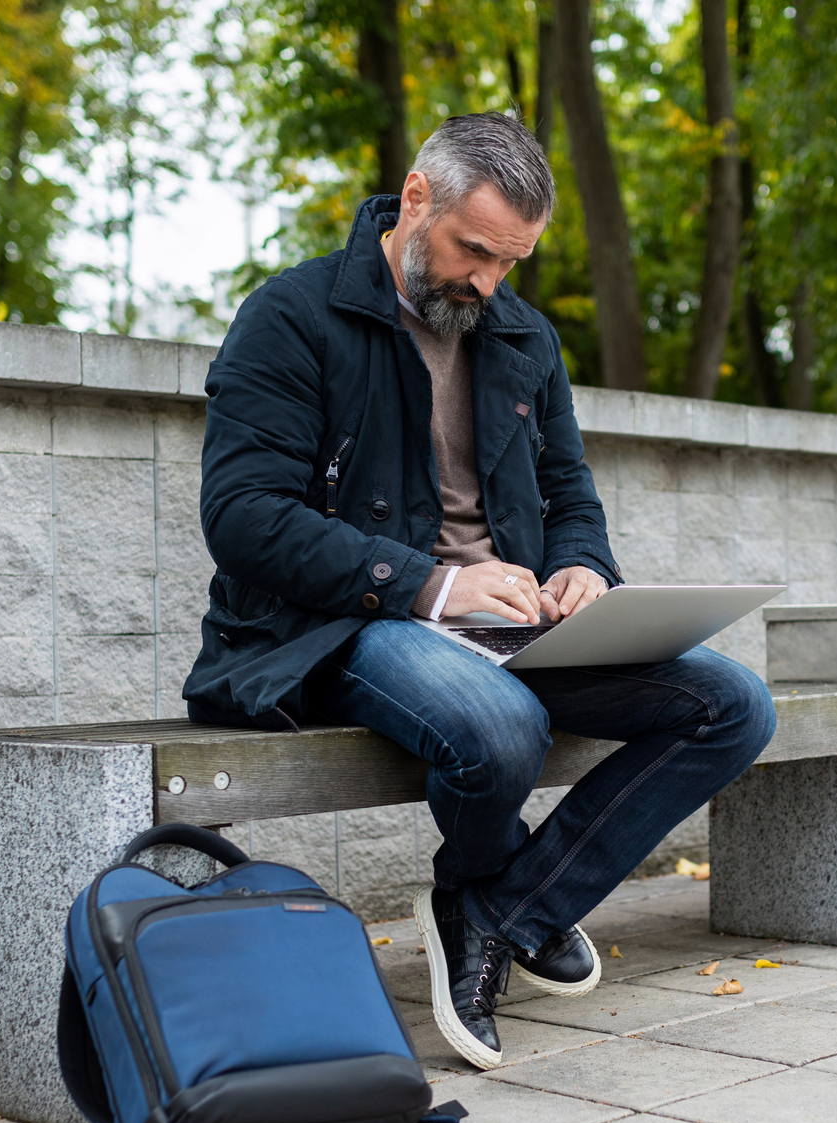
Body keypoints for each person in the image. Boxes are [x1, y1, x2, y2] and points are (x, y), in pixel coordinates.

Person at [184, 112, 775, 1070]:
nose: (487, 285)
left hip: (513, 628)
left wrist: (586, 570)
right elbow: (245, 518)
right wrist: (434, 584)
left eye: (511, 263)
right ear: (416, 197)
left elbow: (568, 493)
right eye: (474, 253)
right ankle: (504, 906)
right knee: (501, 727)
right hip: (339, 628)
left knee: (730, 705)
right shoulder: (291, 317)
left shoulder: (523, 339)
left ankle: (492, 909)